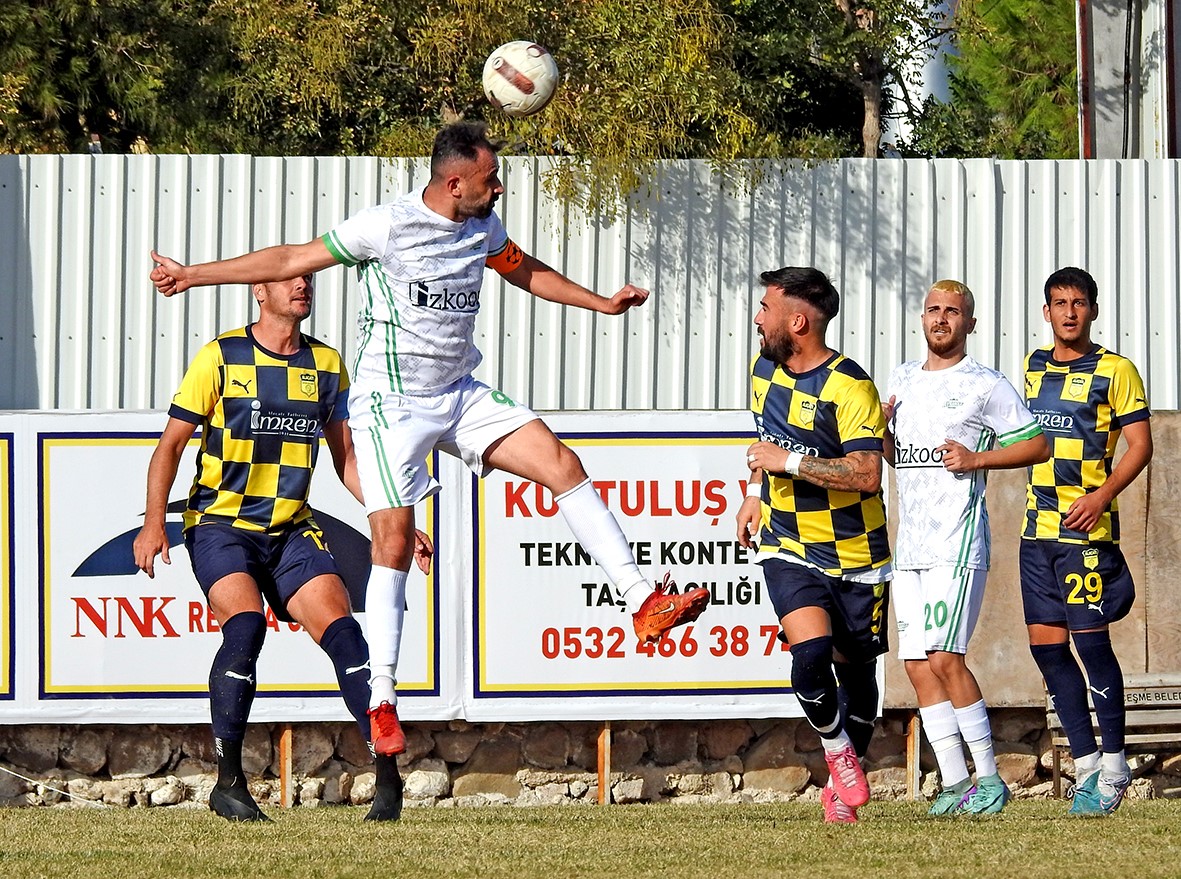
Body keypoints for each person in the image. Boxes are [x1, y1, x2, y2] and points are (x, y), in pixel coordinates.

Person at [147, 121, 709, 757]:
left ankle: (641, 603)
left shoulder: (483, 225)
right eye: (490, 179)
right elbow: (288, 259)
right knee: (391, 538)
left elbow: (524, 270)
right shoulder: (388, 226)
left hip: (460, 393)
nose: (499, 189)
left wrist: (600, 304)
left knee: (561, 462)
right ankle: (382, 699)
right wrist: (194, 275)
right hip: (391, 405)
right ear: (454, 182)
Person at [131, 273, 432, 822]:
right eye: (288, 279)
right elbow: (170, 445)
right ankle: (228, 783)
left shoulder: (326, 364)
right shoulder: (222, 356)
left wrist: (396, 520)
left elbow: (346, 459)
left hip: (291, 529)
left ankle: (388, 786)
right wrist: (155, 524)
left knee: (347, 638)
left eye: (308, 278)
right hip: (221, 526)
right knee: (245, 627)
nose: (301, 284)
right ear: (258, 292)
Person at [883, 280, 1049, 816]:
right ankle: (954, 783)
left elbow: (1038, 443)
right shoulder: (903, 378)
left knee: (945, 657)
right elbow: (897, 458)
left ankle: (990, 778)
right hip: (910, 547)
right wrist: (884, 436)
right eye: (933, 309)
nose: (941, 318)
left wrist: (977, 460)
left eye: (953, 311)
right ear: (922, 318)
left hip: (957, 543)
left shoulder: (985, 385)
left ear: (970, 324)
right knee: (914, 666)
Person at [736, 267, 891, 825]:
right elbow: (766, 442)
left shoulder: (850, 386)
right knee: (808, 655)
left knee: (858, 681)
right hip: (787, 543)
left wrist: (791, 464)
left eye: (765, 308)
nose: (758, 318)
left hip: (857, 553)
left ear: (796, 321)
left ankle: (836, 785)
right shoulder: (763, 370)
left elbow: (868, 475)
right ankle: (836, 750)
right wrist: (757, 493)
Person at [1021, 267, 1153, 816]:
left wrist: (1100, 497)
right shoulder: (1032, 368)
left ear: (1093, 310)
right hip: (1036, 535)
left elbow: (1140, 446)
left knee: (1092, 647)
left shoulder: (1116, 369)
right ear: (1046, 312)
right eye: (1059, 303)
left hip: (1086, 535)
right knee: (1048, 652)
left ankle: (1117, 764)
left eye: (1079, 303)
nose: (1069, 312)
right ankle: (1088, 766)